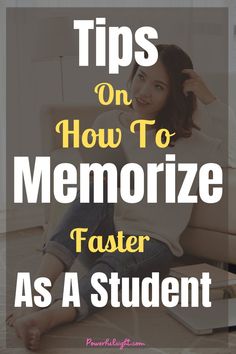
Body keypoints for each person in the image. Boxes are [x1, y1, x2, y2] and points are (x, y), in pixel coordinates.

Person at [7, 44, 236, 351]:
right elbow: (92, 194)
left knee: (117, 264)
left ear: (175, 94)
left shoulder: (192, 142)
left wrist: (210, 98)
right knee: (96, 187)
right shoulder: (110, 122)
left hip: (152, 247)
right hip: (105, 236)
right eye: (140, 77)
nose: (142, 91)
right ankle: (38, 292)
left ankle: (51, 316)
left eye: (158, 86)